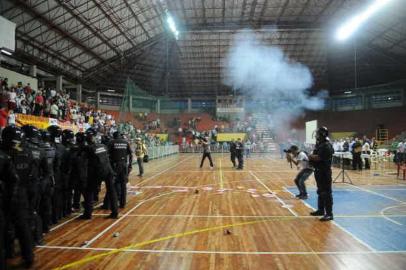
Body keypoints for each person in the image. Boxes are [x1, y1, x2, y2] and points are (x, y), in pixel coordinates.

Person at [1, 126, 34, 267]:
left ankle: (6, 256)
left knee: (3, 228)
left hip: (5, 194)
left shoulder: (4, 154)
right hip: (22, 193)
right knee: (23, 227)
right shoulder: (28, 152)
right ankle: (28, 256)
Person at [80, 128, 118, 219]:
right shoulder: (103, 146)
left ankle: (88, 214)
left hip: (98, 172)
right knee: (112, 191)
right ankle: (115, 212)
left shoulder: (88, 148)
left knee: (89, 191)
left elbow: (82, 159)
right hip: (109, 171)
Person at [309, 126, 335, 221]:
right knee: (320, 191)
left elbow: (318, 158)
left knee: (326, 193)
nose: (316, 135)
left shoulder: (326, 145)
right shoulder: (320, 144)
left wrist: (310, 156)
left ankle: (329, 214)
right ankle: (320, 210)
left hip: (325, 172)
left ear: (322, 134)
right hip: (319, 171)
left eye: (318, 134)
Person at [107, 131, 133, 208]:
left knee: (113, 184)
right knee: (123, 184)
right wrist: (130, 165)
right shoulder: (126, 142)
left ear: (114, 136)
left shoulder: (111, 142)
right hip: (124, 165)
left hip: (115, 165)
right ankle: (123, 203)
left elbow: (107, 155)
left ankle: (111, 203)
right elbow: (131, 154)